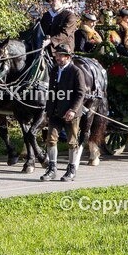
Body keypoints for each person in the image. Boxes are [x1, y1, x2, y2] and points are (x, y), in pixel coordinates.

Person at [40, 44, 89, 183]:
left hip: (70, 113)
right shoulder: (55, 69)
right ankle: (52, 169)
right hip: (55, 112)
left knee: (72, 142)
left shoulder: (76, 71)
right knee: (51, 139)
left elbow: (81, 93)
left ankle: (72, 170)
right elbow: (51, 90)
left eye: (61, 55)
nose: (57, 58)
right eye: (57, 55)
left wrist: (73, 110)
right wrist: (48, 109)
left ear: (68, 57)